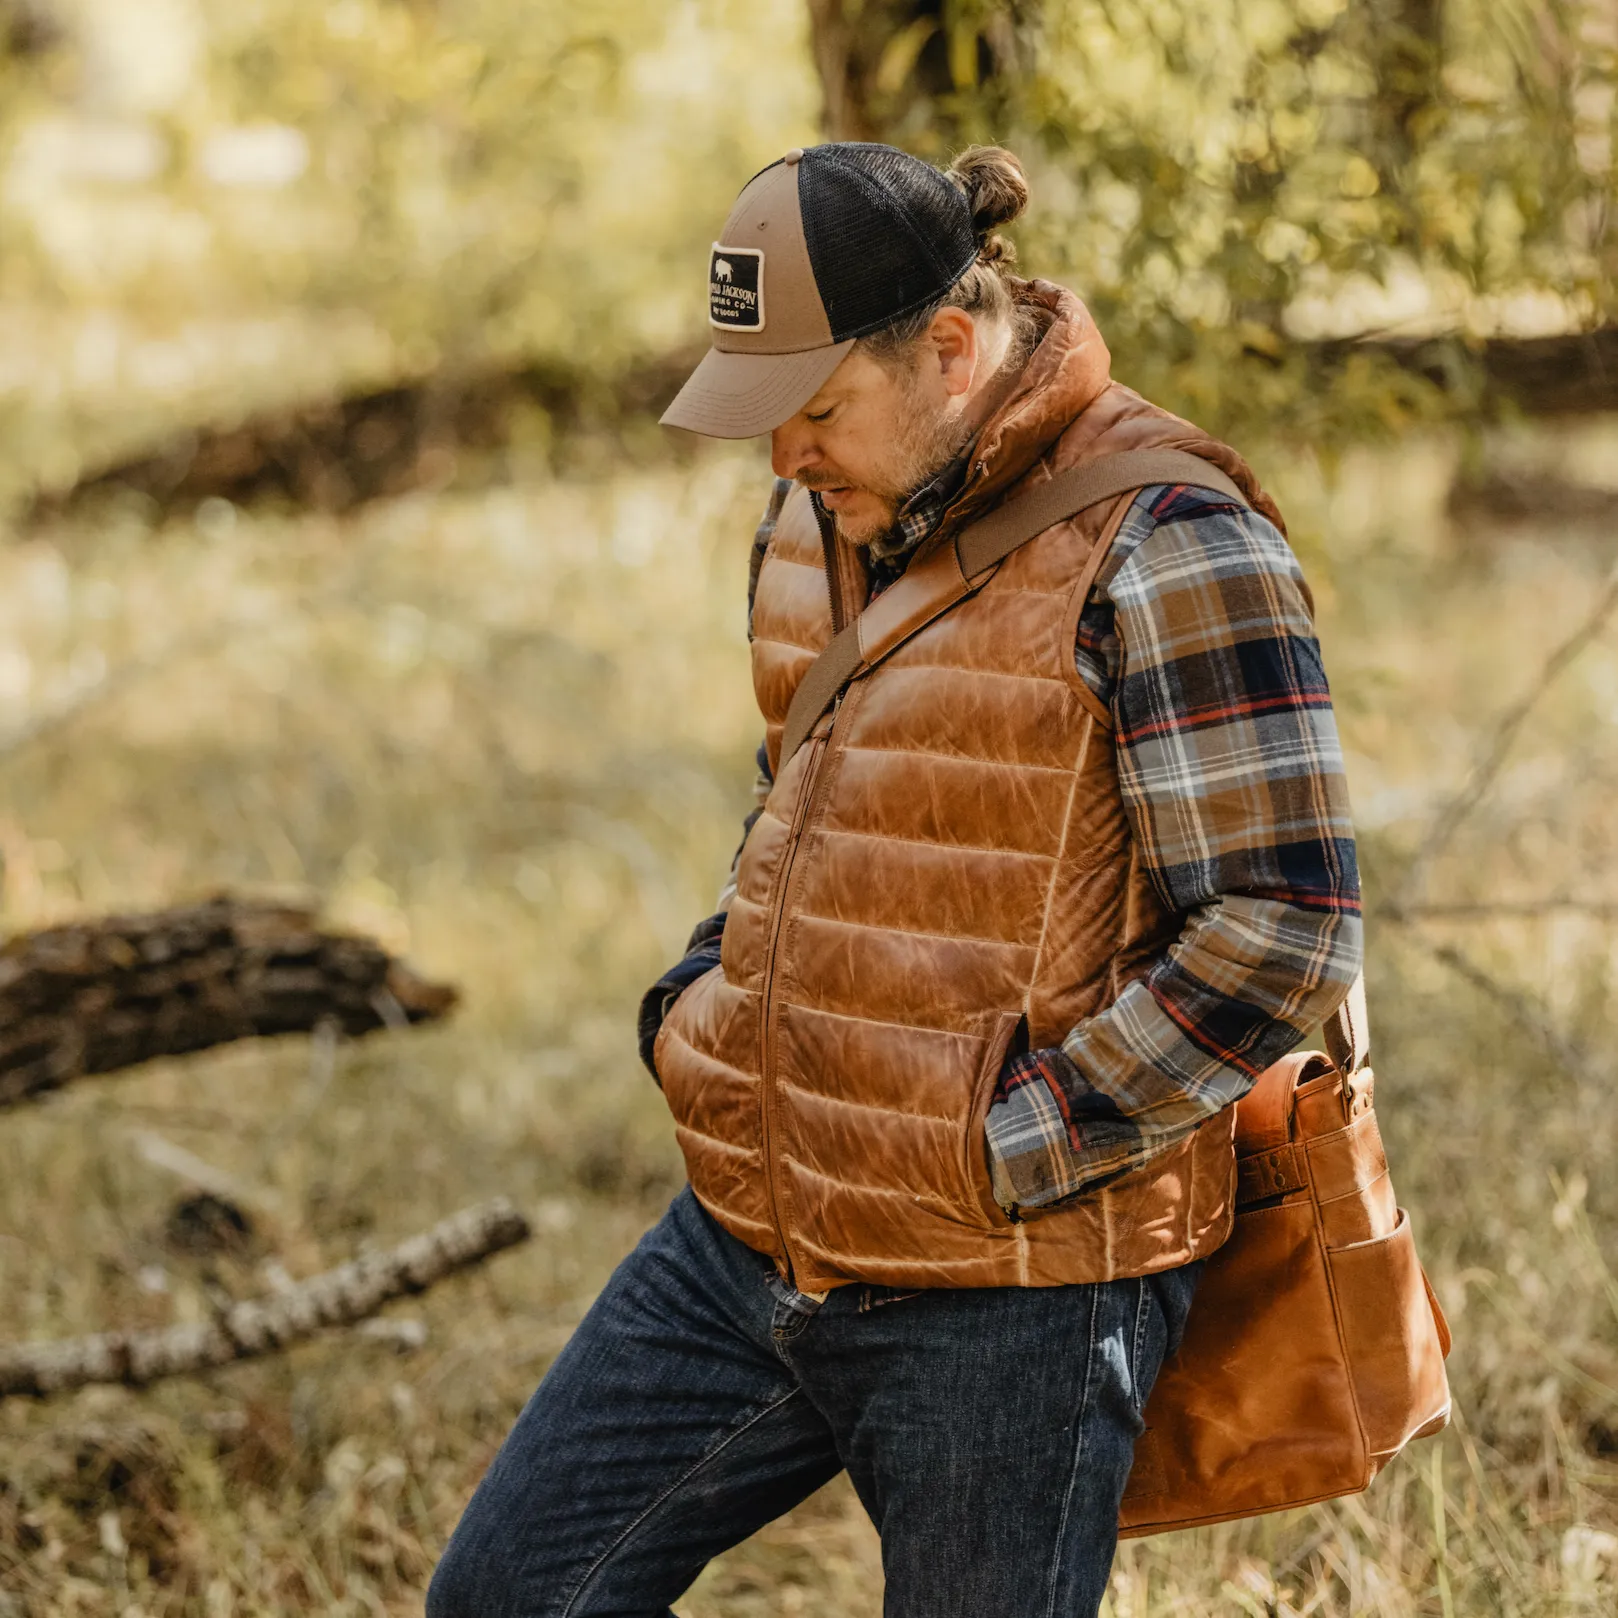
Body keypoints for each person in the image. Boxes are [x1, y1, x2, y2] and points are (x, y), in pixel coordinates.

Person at [428, 142, 1361, 1618]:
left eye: (812, 411)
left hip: (1009, 1289)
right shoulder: (814, 518)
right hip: (748, 1230)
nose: (782, 458)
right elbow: (803, 804)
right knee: (506, 1598)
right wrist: (702, 1004)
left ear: (947, 347)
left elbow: (1283, 922)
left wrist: (1013, 1145)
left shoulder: (1169, 539)